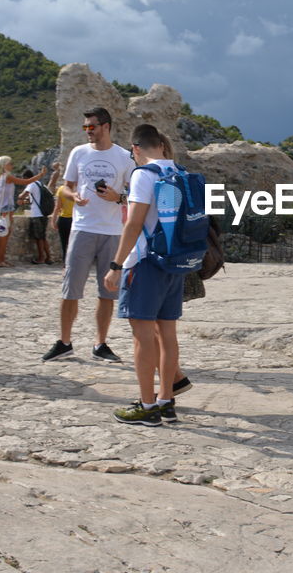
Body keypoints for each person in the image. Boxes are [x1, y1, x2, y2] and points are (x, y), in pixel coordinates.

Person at [105, 123, 188, 425]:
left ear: (136, 149)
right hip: (173, 262)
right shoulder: (180, 172)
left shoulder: (143, 175)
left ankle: (147, 406)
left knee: (142, 338)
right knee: (167, 335)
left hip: (144, 263)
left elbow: (134, 223)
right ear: (162, 145)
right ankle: (166, 401)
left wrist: (115, 265)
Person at [40, 107, 134, 363]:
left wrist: (118, 198)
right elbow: (65, 187)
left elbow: (135, 195)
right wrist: (73, 197)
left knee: (107, 291)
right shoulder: (78, 153)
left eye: (91, 127)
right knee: (70, 288)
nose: (88, 132)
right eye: (85, 127)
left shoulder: (124, 157)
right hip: (82, 228)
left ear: (106, 126)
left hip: (112, 231)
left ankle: (100, 343)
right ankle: (64, 342)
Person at [0, 156, 45, 267]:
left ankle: (1, 259)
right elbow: (26, 181)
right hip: (7, 210)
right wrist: (40, 175)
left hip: (1, 209)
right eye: (10, 163)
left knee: (3, 234)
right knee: (4, 236)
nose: (12, 165)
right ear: (5, 165)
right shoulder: (7, 176)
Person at [19, 168, 53, 264]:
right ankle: (49, 257)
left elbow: (23, 195)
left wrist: (20, 198)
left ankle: (41, 258)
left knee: (39, 238)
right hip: (44, 213)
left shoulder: (31, 184)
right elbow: (32, 199)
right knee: (43, 237)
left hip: (37, 214)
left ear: (26, 178)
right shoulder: (40, 184)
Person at [49, 162, 74, 258]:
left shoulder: (61, 189)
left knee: (64, 244)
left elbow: (57, 207)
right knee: (74, 244)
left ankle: (65, 264)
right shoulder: (77, 190)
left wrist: (53, 220)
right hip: (75, 220)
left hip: (63, 219)